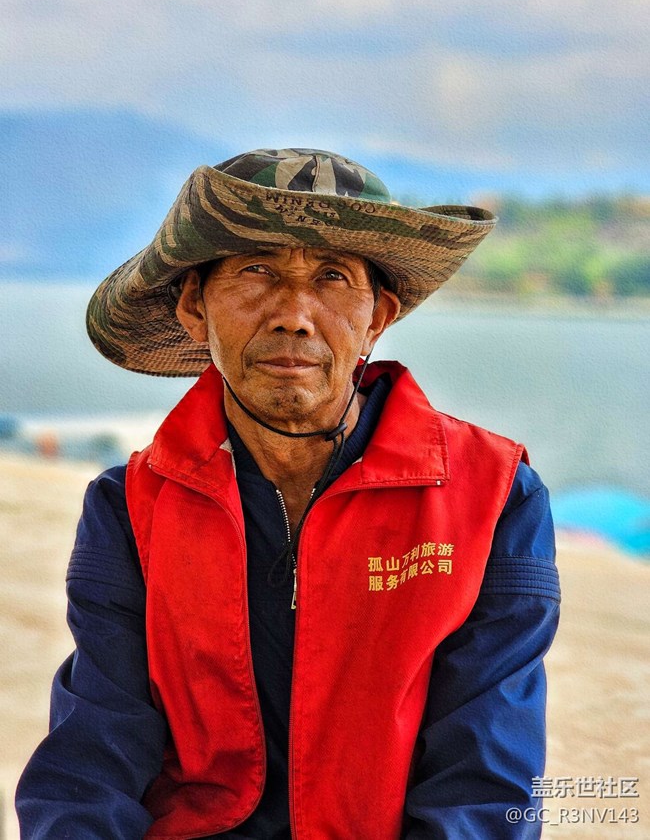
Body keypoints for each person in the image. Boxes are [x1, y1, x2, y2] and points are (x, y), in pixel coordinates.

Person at [16, 148, 560, 839]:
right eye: (256, 271)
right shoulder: (131, 507)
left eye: (332, 277)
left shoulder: (494, 495)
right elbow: (91, 762)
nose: (295, 316)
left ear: (377, 316)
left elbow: (486, 782)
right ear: (195, 307)